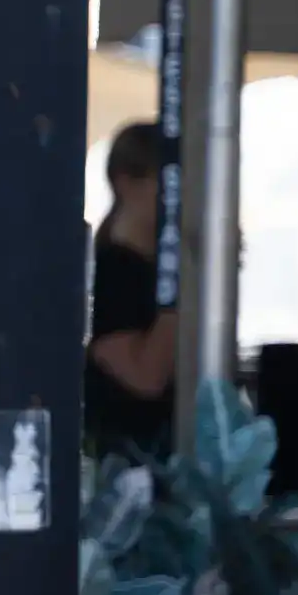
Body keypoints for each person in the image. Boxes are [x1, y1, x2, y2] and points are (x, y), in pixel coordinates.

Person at [88, 121, 178, 455]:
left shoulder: (145, 268)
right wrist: (180, 297)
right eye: (165, 182)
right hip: (124, 464)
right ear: (126, 182)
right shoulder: (113, 271)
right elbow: (145, 378)